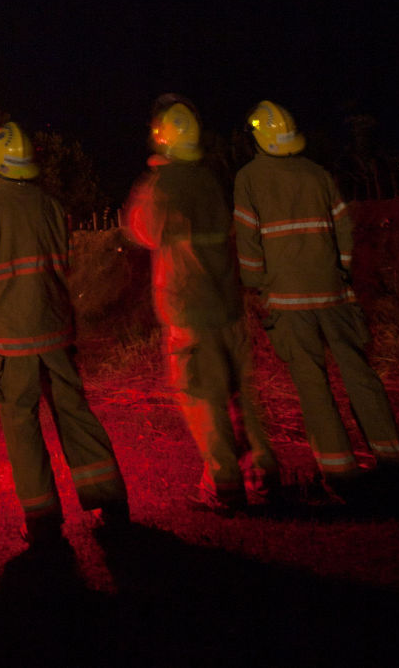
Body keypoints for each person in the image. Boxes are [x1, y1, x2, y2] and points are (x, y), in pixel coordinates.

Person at [0, 121, 129, 545]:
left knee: (21, 421)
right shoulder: (53, 205)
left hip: (13, 335)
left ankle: (42, 519)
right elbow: (64, 263)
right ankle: (109, 501)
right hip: (55, 328)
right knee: (74, 412)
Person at [233, 100, 399, 495]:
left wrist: (258, 285)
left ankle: (340, 474)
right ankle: (393, 460)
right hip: (334, 295)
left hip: (287, 302)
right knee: (360, 375)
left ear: (257, 138)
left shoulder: (248, 178)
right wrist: (340, 271)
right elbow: (344, 229)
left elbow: (247, 239)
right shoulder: (318, 174)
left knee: (313, 384)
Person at [125, 96, 279, 512]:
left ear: (162, 136)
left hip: (189, 312)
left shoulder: (164, 186)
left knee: (203, 399)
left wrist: (152, 177)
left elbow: (140, 229)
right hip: (226, 306)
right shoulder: (210, 178)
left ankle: (223, 484)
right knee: (241, 396)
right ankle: (263, 475)